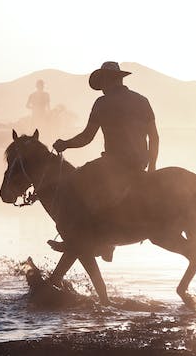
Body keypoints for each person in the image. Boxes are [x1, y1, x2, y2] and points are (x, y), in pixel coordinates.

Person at [51, 61, 159, 260]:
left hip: (114, 162)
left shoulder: (103, 103)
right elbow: (154, 137)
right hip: (138, 164)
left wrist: (65, 144)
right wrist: (151, 167)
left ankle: (90, 239)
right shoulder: (141, 100)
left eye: (103, 82)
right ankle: (105, 242)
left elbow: (86, 137)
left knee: (74, 182)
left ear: (109, 81)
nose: (102, 87)